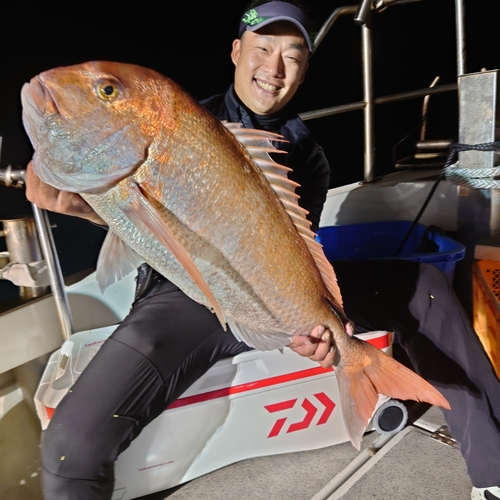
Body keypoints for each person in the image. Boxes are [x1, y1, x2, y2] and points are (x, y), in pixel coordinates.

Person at [24, 2, 500, 499]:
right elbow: (141, 220)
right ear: (236, 52)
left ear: (304, 69)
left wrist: (314, 321)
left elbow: (296, 249)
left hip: (272, 290)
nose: (273, 69)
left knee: (425, 287)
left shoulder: (307, 154)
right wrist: (81, 207)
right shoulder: (184, 123)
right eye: (262, 49)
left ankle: (495, 473)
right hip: (184, 294)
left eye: (292, 56)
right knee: (69, 449)